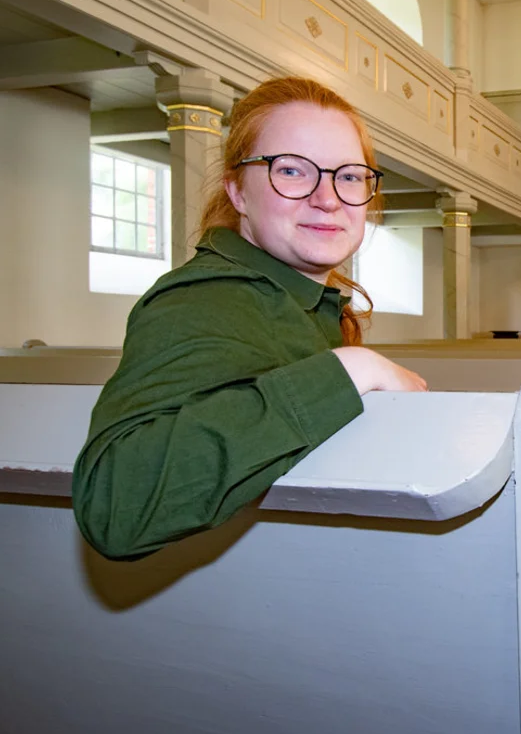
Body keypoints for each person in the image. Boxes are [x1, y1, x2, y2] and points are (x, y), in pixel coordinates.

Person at [73, 76, 427, 561]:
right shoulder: (204, 300)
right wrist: (351, 371)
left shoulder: (301, 298)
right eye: (293, 171)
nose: (327, 198)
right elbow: (116, 507)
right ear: (237, 191)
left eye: (348, 175)